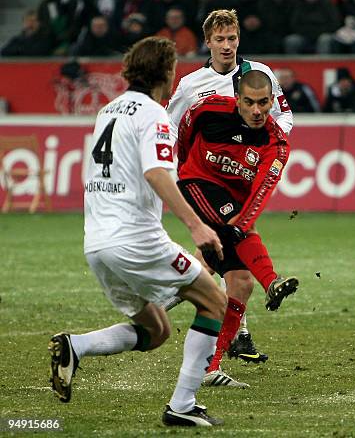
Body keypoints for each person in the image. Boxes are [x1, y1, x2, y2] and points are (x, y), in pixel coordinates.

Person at [48, 37, 227, 428]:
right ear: (166, 72)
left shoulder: (107, 111)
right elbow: (156, 173)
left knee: (157, 329)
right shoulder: (153, 114)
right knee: (215, 300)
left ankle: (75, 347)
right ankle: (183, 405)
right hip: (136, 239)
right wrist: (197, 226)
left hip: (97, 245)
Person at [166, 9, 295, 371]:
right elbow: (172, 129)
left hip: (241, 178)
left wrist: (261, 143)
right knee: (234, 246)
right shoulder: (192, 85)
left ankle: (176, 292)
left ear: (239, 39)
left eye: (232, 39)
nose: (227, 46)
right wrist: (186, 170)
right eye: (219, 40)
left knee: (220, 257)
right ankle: (230, 336)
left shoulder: (259, 75)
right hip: (206, 181)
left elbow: (285, 117)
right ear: (207, 42)